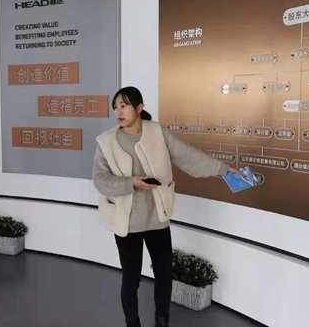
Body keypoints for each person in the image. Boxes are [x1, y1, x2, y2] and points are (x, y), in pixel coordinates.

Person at [93, 87, 239, 327]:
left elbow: (187, 156)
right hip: (126, 223)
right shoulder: (105, 141)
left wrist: (223, 169)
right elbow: (100, 180)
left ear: (139, 108)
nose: (119, 111)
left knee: (164, 276)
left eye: (124, 106)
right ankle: (132, 324)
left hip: (157, 218)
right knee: (131, 279)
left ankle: (162, 322)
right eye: (116, 107)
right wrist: (131, 183)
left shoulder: (157, 132)